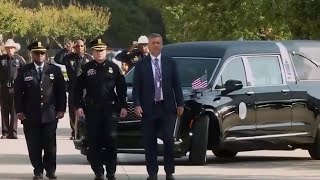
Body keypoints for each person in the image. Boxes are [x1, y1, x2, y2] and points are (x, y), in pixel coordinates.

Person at [132, 33, 184, 180]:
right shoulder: (141, 64)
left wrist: (180, 103)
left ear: (162, 45)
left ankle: (169, 171)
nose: (156, 45)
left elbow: (177, 84)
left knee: (168, 139)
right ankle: (152, 172)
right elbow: (136, 87)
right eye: (153, 43)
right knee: (150, 142)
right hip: (149, 108)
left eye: (158, 43)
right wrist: (137, 104)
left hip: (167, 107)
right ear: (148, 45)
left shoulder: (170, 62)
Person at [74, 38, 128, 180]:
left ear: (106, 51)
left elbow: (122, 88)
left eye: (102, 50)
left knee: (111, 140)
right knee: (94, 141)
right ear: (92, 52)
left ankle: (111, 171)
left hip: (110, 109)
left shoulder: (114, 67)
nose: (99, 53)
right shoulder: (86, 68)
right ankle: (98, 171)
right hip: (92, 110)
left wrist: (123, 105)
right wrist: (78, 106)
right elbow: (77, 89)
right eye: (97, 50)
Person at [14, 41, 67, 180]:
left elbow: (61, 91)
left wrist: (61, 109)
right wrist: (19, 111)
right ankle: (38, 170)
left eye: (42, 53)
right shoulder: (24, 70)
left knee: (50, 145)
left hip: (50, 114)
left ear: (45, 54)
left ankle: (50, 170)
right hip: (30, 115)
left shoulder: (54, 70)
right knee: (34, 145)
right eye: (37, 53)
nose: (40, 55)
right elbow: (18, 93)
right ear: (32, 54)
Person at [55, 39, 93, 140]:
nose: (79, 48)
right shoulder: (69, 57)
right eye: (77, 46)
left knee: (86, 110)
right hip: (73, 87)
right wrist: (65, 49)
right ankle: (74, 131)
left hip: (86, 88)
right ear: (74, 47)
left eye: (81, 46)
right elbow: (57, 59)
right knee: (73, 110)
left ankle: (85, 132)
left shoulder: (89, 58)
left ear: (84, 46)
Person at [0, 39, 26, 139]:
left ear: (14, 49)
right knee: (4, 111)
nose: (9, 49)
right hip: (4, 88)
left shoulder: (19, 59)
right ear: (5, 49)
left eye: (11, 48)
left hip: (15, 88)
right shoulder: (1, 59)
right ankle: (5, 132)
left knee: (14, 111)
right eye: (8, 48)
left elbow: (25, 72)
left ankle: (13, 133)